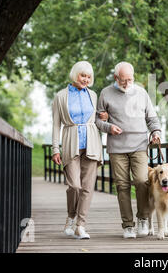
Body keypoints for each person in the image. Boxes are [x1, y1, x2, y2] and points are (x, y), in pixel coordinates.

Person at [95, 61, 161, 239]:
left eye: (130, 79)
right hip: (117, 147)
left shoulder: (141, 92)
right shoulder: (106, 93)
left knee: (141, 181)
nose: (127, 83)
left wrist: (155, 132)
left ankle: (143, 218)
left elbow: (152, 118)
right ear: (116, 78)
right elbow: (97, 120)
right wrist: (109, 127)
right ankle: (128, 225)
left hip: (139, 145)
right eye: (123, 80)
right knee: (122, 185)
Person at [51, 61, 103, 239]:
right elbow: (56, 125)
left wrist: (103, 117)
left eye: (89, 77)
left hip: (92, 143)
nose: (86, 79)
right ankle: (71, 217)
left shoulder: (93, 95)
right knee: (74, 185)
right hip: (70, 142)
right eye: (83, 76)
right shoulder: (61, 96)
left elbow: (94, 118)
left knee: (87, 187)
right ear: (75, 75)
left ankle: (81, 225)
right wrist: (55, 149)